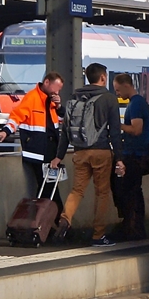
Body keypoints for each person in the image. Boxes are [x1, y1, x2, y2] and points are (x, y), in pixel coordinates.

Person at [54, 63, 126, 246]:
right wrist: (119, 158)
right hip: (101, 152)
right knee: (102, 193)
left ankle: (65, 219)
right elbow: (115, 132)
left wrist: (59, 156)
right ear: (102, 77)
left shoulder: (75, 97)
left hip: (80, 152)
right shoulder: (109, 99)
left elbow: (65, 130)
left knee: (77, 190)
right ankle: (98, 235)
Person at [0, 72, 68, 214]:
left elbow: (63, 119)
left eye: (59, 90)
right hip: (38, 151)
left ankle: (47, 220)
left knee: (47, 187)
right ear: (46, 82)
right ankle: (58, 219)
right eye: (55, 88)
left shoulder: (51, 101)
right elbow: (17, 116)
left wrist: (59, 106)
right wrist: (6, 131)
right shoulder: (32, 98)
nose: (57, 92)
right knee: (48, 187)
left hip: (50, 151)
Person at [111, 73, 149, 240]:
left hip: (134, 155)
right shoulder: (136, 102)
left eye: (118, 89)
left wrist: (117, 125)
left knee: (129, 192)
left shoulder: (135, 104)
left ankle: (133, 228)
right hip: (135, 153)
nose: (117, 93)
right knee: (132, 192)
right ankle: (133, 227)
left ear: (126, 85)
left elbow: (136, 129)